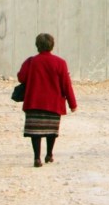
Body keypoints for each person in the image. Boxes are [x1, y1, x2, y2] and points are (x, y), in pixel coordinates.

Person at [17, 33, 77, 168]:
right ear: (52, 45)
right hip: (53, 104)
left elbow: (21, 78)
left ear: (37, 45)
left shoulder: (31, 61)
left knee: (35, 132)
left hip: (34, 102)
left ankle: (37, 158)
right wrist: (72, 104)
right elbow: (66, 84)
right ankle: (49, 154)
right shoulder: (60, 63)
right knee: (51, 130)